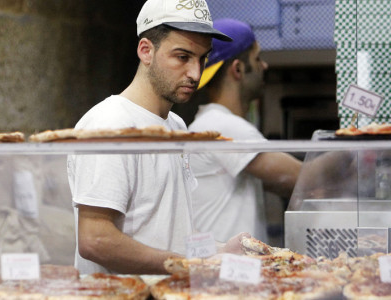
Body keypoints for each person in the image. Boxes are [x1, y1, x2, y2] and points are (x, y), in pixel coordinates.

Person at [67, 0, 249, 275]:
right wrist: (193, 266)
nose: (196, 73)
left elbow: (171, 227)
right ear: (146, 51)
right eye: (182, 57)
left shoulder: (176, 125)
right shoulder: (110, 124)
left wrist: (220, 250)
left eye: (202, 58)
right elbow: (95, 240)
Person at [188, 19, 302, 243]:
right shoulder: (222, 126)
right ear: (238, 69)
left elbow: (276, 181)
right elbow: (301, 177)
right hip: (226, 271)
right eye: (257, 58)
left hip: (227, 269)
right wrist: (355, 151)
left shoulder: (210, 122)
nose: (265, 66)